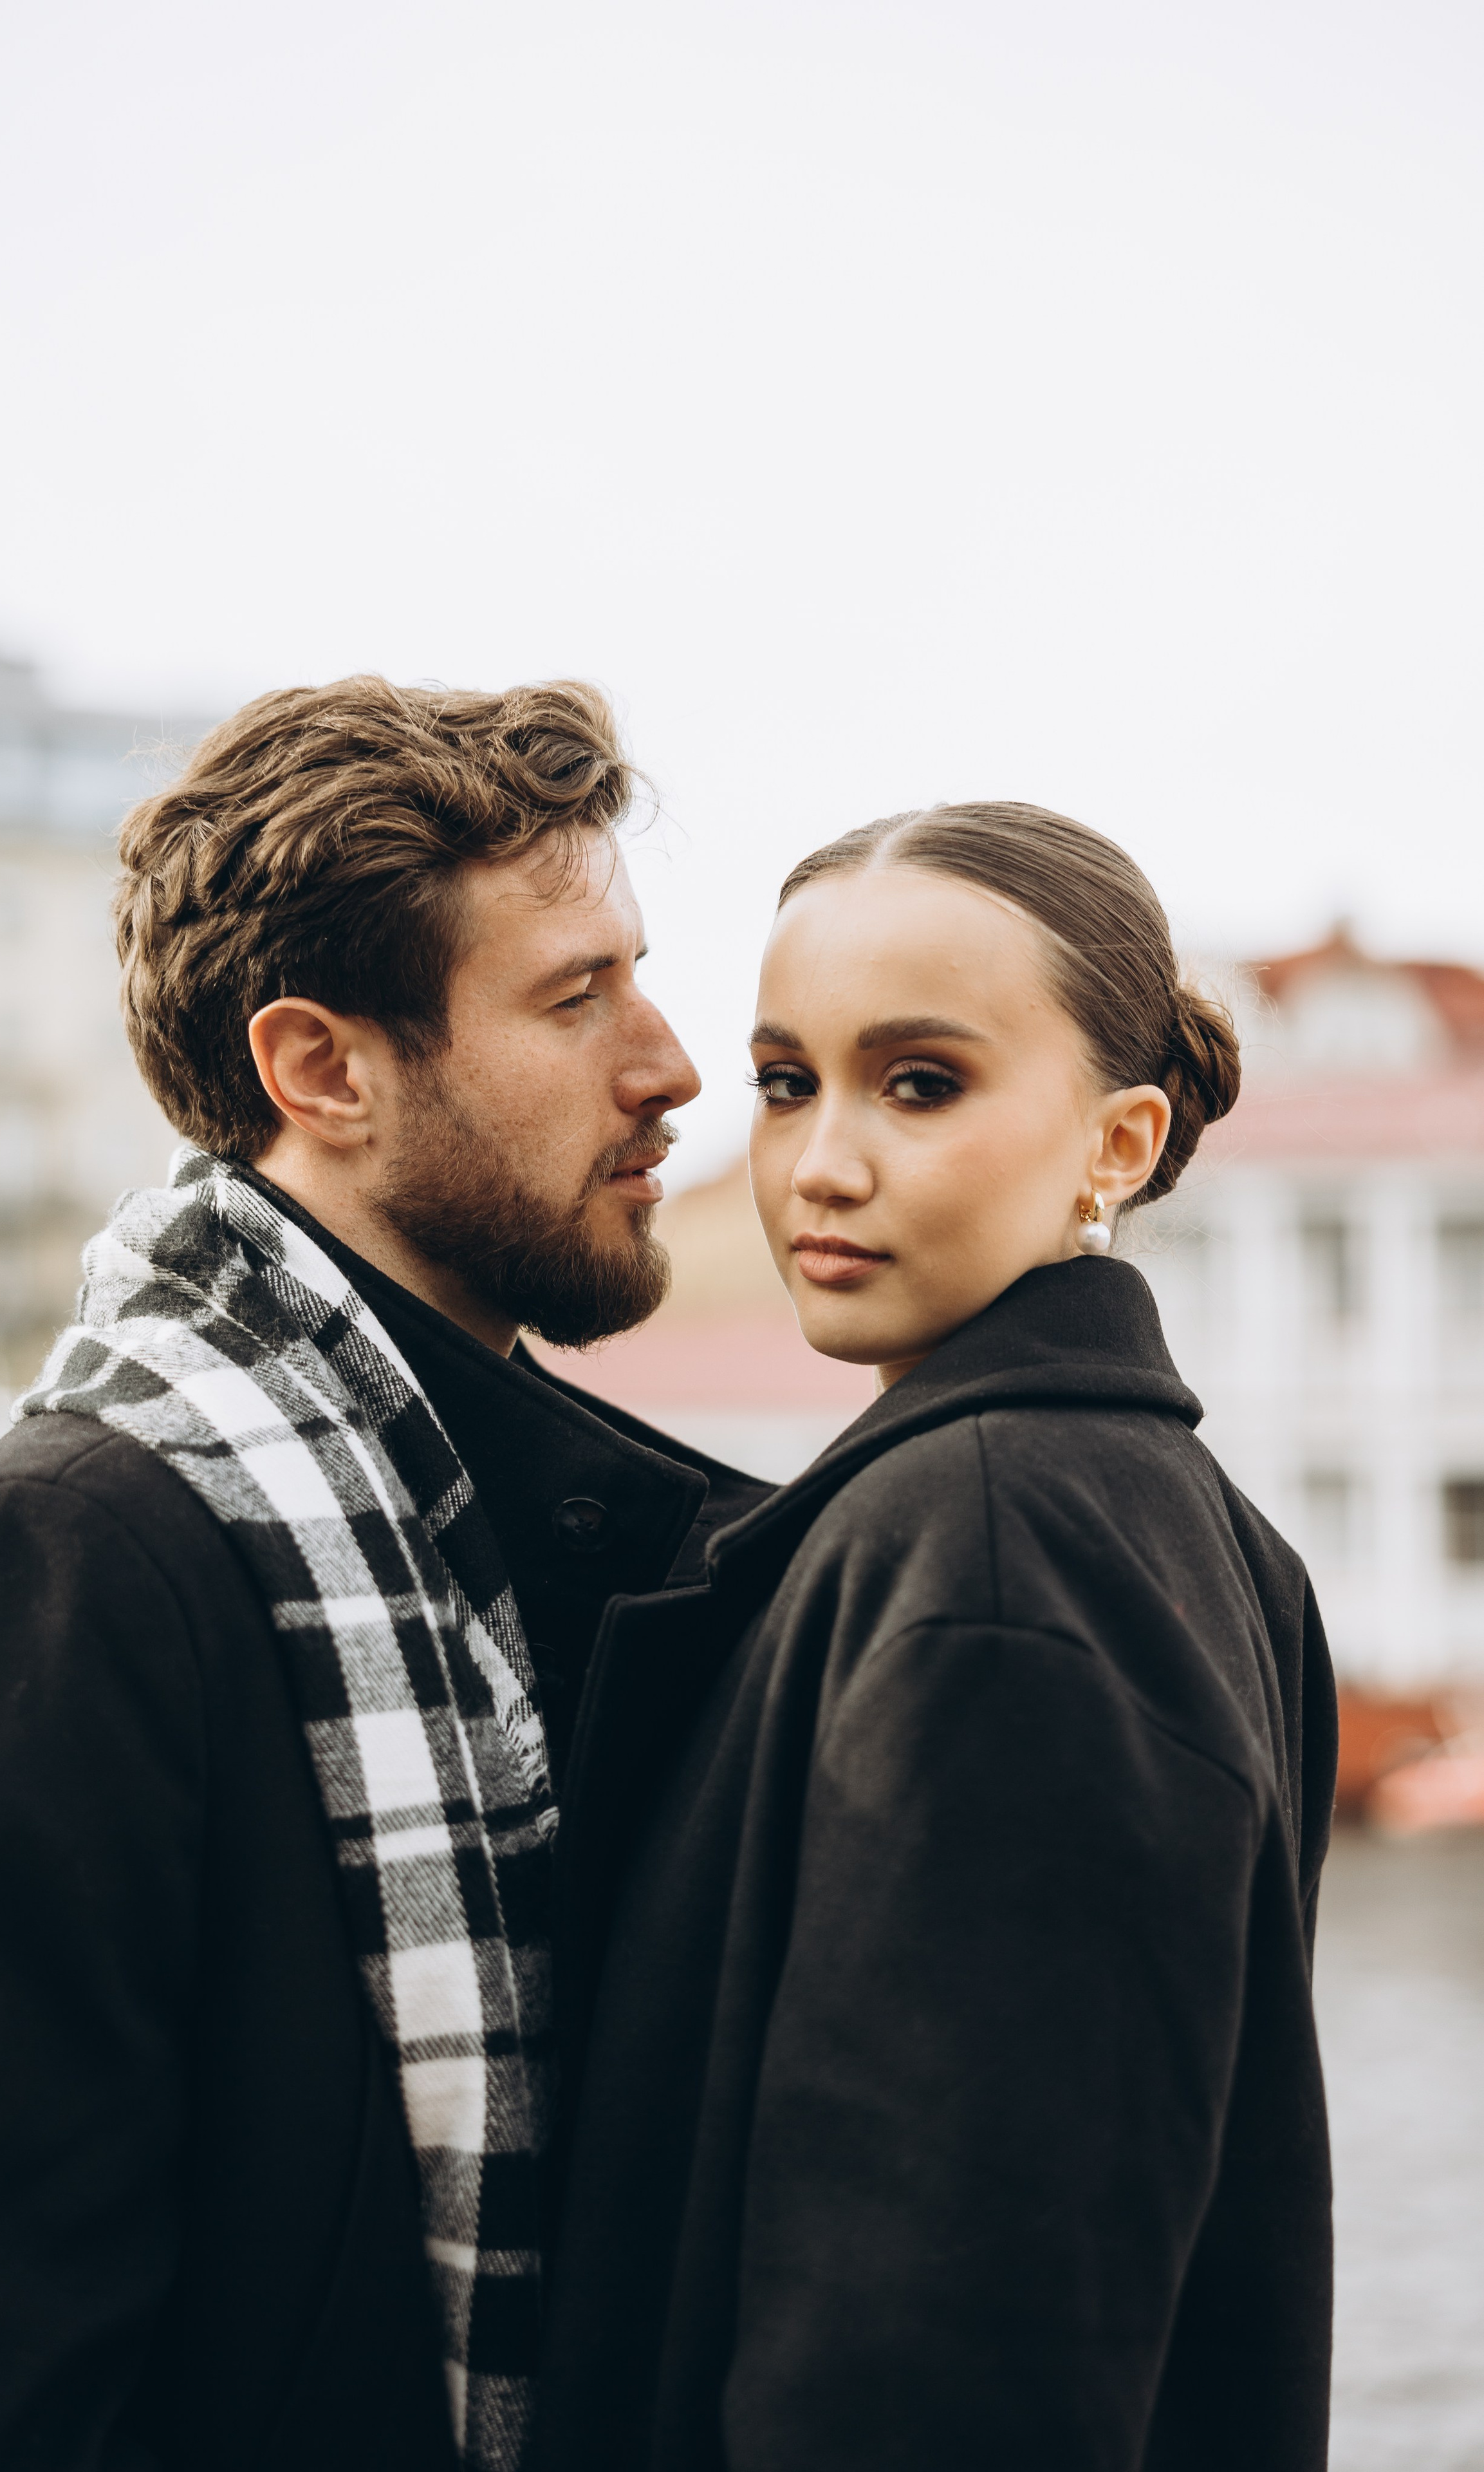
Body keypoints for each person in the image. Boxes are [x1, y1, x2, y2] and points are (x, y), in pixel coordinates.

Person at [0, 677, 767, 2472]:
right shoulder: (42, 1580)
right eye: (579, 998)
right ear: (323, 1069)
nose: (668, 1065)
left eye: (640, 980)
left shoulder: (515, 1541)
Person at [540, 802, 1338, 2472]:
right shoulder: (1167, 1524)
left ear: (1118, 1144)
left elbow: (943, 2354)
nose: (822, 1162)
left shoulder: (992, 1551)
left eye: (921, 1084)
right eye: (783, 1082)